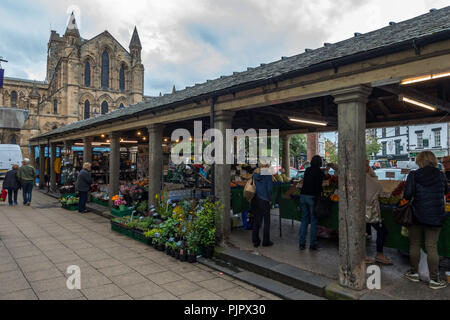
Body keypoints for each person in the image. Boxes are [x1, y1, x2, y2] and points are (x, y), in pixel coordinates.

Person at [403, 151, 448, 290]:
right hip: (436, 215)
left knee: (415, 244)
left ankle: (413, 273)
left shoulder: (413, 175)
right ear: (433, 160)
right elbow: (446, 190)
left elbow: (407, 194)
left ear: (419, 161)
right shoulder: (441, 175)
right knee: (432, 246)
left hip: (416, 214)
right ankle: (434, 280)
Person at [365, 160, 392, 265]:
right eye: (368, 165)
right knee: (382, 231)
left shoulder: (353, 177)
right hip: (369, 211)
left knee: (362, 232)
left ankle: (363, 254)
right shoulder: (373, 182)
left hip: (357, 211)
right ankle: (379, 254)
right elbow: (382, 194)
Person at [299, 155, 324, 251]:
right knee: (313, 221)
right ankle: (312, 244)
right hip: (312, 197)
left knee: (304, 220)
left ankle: (301, 243)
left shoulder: (308, 170)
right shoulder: (320, 172)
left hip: (303, 196)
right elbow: (319, 186)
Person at [251, 162, 274, 248]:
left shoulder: (255, 173)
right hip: (264, 199)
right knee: (266, 221)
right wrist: (271, 199)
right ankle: (266, 241)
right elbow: (269, 189)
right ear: (266, 165)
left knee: (256, 220)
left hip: (256, 198)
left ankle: (255, 241)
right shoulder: (267, 174)